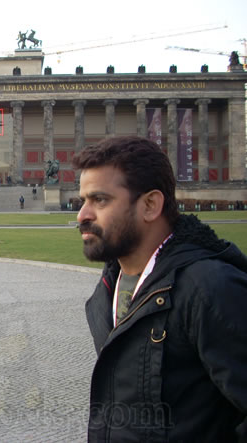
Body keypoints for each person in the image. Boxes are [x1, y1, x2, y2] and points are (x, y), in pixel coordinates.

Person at [72, 136, 247, 441]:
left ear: (150, 205)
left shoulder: (210, 289)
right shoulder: (107, 289)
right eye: (82, 200)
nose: (82, 215)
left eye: (100, 200)